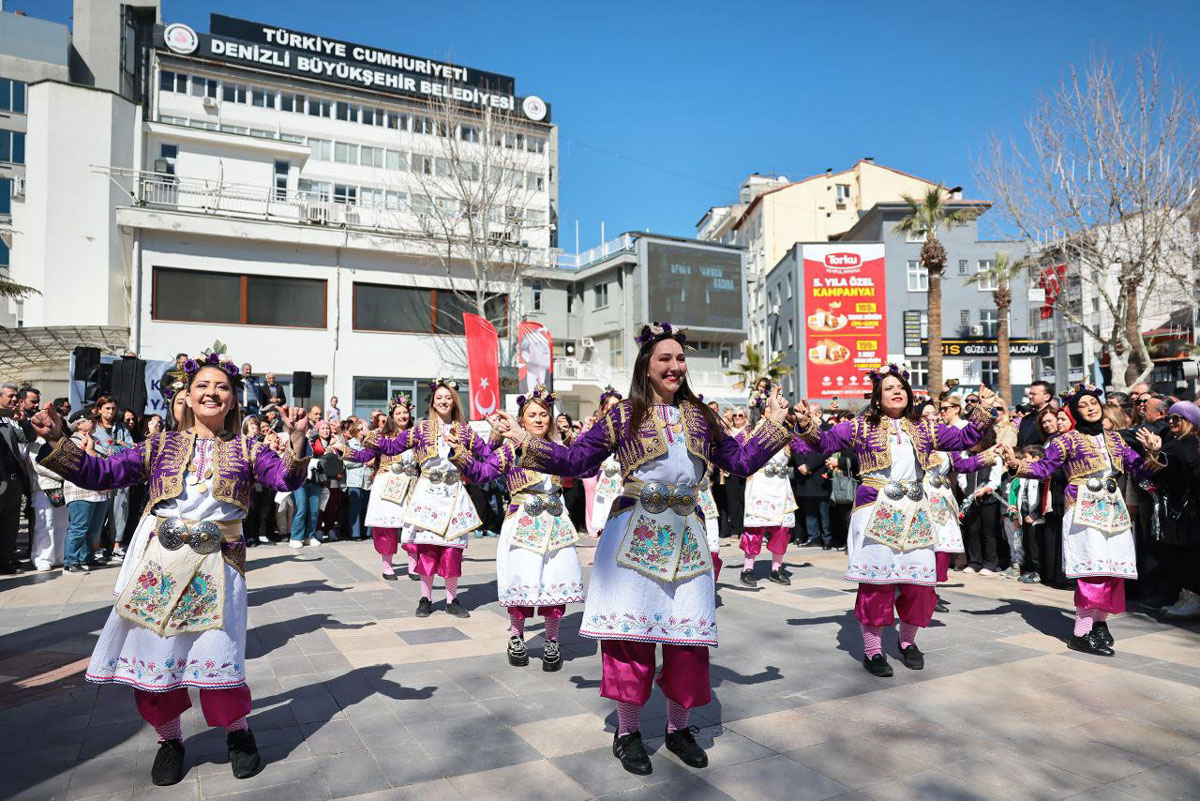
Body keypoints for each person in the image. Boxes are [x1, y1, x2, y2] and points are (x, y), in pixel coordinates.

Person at [493, 322, 794, 775]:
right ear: (646, 366)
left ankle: (678, 730)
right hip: (634, 531)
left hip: (687, 535)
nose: (675, 366)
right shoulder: (622, 415)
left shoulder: (701, 416)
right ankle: (628, 732)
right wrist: (525, 441)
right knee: (630, 639)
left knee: (686, 640)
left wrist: (772, 425)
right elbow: (577, 461)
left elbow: (740, 461)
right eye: (664, 359)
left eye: (679, 359)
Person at [30, 344, 311, 785]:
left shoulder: (248, 447)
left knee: (219, 656)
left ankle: (238, 733)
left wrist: (296, 439)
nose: (212, 393)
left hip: (220, 566)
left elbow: (286, 478)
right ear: (189, 393)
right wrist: (56, 440)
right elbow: (100, 474)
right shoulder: (158, 444)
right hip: (159, 565)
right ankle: (169, 740)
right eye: (203, 385)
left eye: (222, 387)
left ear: (233, 398)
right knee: (157, 655)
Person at [794, 365, 1000, 677]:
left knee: (919, 585)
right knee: (877, 584)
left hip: (915, 510)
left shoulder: (925, 427)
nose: (897, 391)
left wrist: (983, 409)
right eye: (889, 387)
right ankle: (873, 649)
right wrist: (807, 423)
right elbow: (823, 444)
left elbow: (966, 436)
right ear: (877, 396)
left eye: (901, 386)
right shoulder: (859, 426)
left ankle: (907, 641)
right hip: (874, 508)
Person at [1002, 383, 1163, 656]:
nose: (1090, 408)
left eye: (1093, 403)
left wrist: (1154, 453)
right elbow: (1044, 467)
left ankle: (1099, 624)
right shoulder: (1067, 440)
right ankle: (1080, 632)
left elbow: (1138, 468)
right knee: (1092, 570)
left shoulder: (1115, 438)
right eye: (1083, 405)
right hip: (1083, 506)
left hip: (1114, 508)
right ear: (1075, 412)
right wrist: (1017, 464)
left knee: (1113, 571)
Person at [455, 386, 584, 670]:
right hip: (521, 520)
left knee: (555, 581)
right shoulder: (510, 451)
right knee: (521, 580)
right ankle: (516, 635)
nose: (539, 420)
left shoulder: (558, 451)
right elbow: (479, 473)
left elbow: (581, 469)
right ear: (521, 420)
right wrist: (459, 452)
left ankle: (552, 639)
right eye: (532, 415)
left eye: (543, 415)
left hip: (555, 521)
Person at [352, 379, 493, 614]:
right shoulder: (420, 429)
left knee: (452, 549)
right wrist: (368, 437)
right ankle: (425, 598)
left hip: (454, 493)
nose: (444, 401)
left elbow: (487, 454)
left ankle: (451, 600)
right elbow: (392, 447)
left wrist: (500, 435)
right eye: (439, 397)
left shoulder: (465, 430)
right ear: (433, 402)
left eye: (448, 397)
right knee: (427, 548)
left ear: (455, 401)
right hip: (427, 492)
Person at [1145, 401, 1200, 619]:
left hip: (1190, 510)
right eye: (1169, 418)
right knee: (1182, 555)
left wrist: (1157, 457)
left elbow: (1188, 474)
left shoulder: (1187, 444)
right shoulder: (1179, 443)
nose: (1171, 422)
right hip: (1181, 509)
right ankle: (1187, 596)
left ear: (1190, 422)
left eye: (1176, 418)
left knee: (1188, 555)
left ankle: (1193, 597)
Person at [739, 390, 800, 587]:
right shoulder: (749, 431)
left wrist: (806, 423)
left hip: (781, 485)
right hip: (760, 483)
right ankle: (748, 568)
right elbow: (734, 452)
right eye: (771, 405)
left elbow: (806, 446)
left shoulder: (787, 432)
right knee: (755, 528)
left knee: (782, 529)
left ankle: (776, 568)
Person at [355, 397, 417, 579]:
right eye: (398, 412)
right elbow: (364, 456)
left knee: (413, 526)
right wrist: (343, 448)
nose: (402, 415)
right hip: (387, 483)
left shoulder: (417, 436)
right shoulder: (381, 436)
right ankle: (387, 565)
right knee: (386, 526)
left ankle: (413, 565)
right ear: (391, 415)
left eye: (405, 412)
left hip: (411, 485)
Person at [0, 382, 31, 574]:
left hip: (13, 481)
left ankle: (5, 561)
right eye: (9, 396)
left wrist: (24, 422)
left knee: (10, 525)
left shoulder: (13, 419)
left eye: (15, 397)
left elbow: (29, 438)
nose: (13, 400)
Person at [588, 388, 624, 536]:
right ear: (604, 408)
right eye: (611, 405)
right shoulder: (599, 428)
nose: (615, 409)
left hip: (623, 477)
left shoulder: (626, 427)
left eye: (618, 405)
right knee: (606, 518)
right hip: (607, 478)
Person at [1017, 381, 1054, 447]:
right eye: (1030, 394)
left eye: (1034, 394)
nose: (1030, 396)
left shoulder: (1054, 416)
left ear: (1047, 397)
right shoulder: (1025, 419)